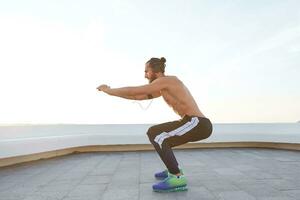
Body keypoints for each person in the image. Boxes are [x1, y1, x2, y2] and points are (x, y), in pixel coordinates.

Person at [97, 57, 213, 192]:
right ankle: (173, 168)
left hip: (197, 123)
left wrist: (109, 90)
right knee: (158, 136)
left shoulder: (167, 81)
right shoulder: (162, 87)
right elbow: (136, 96)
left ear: (156, 71)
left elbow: (135, 91)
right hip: (191, 122)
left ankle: (177, 177)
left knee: (156, 134)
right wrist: (112, 93)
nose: (145, 75)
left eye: (147, 71)